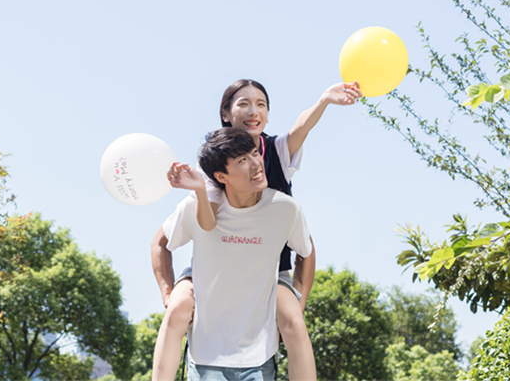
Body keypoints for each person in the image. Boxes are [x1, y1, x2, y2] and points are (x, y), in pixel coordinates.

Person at [151, 79, 362, 379]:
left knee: (292, 320)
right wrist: (168, 292)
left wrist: (324, 101)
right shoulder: (213, 160)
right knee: (177, 310)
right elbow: (206, 224)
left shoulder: (276, 151)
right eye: (244, 104)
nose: (254, 111)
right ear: (225, 113)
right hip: (215, 269)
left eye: (261, 104)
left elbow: (301, 127)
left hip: (271, 268)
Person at [159, 128, 313, 379]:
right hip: (207, 359)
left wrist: (299, 301)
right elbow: (161, 243)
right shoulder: (195, 208)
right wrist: (168, 294)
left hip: (259, 359)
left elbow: (306, 251)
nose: (255, 164)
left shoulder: (285, 209)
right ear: (221, 175)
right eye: (242, 160)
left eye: (255, 154)